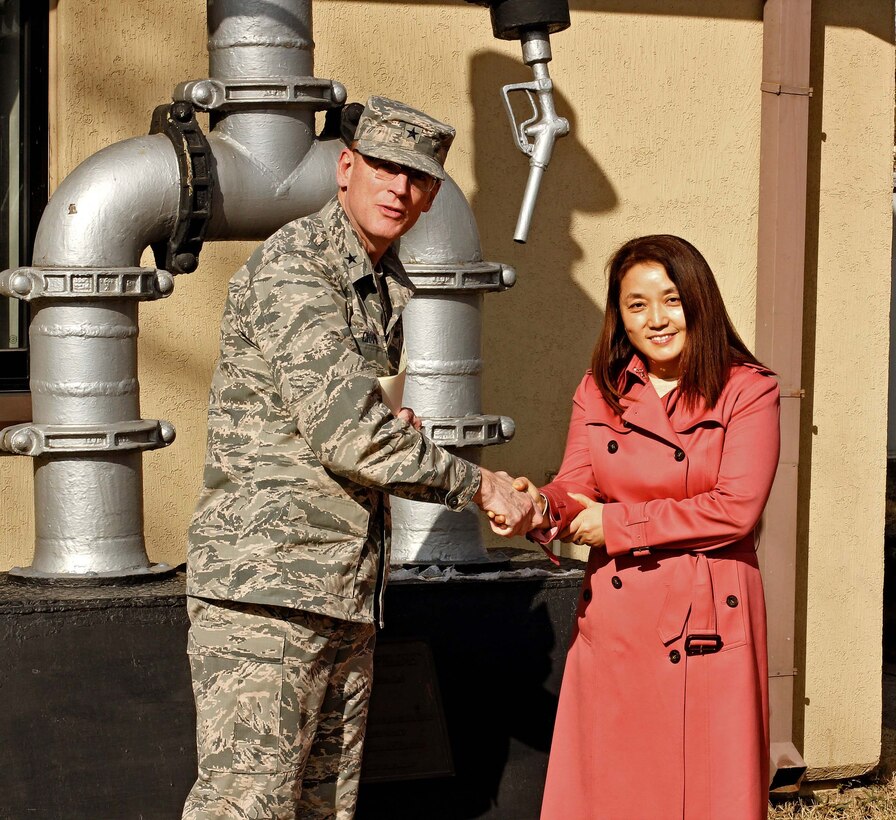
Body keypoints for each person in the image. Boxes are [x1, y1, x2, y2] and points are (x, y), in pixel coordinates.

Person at [182, 96, 540, 819]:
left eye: (417, 178)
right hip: (268, 596)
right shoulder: (298, 270)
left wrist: (382, 426)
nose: (398, 188)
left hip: (338, 592)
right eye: (382, 167)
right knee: (245, 808)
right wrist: (478, 484)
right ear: (345, 168)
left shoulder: (379, 283)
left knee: (323, 810)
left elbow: (342, 424)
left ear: (432, 194)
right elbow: (352, 436)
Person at [512, 234, 780, 819]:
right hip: (616, 618)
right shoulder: (600, 389)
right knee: (610, 788)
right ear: (620, 316)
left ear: (699, 303)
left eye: (671, 300)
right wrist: (542, 507)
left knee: (703, 791)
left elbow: (735, 508)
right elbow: (578, 480)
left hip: (705, 620)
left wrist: (617, 525)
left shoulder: (748, 389)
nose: (656, 319)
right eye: (637, 305)